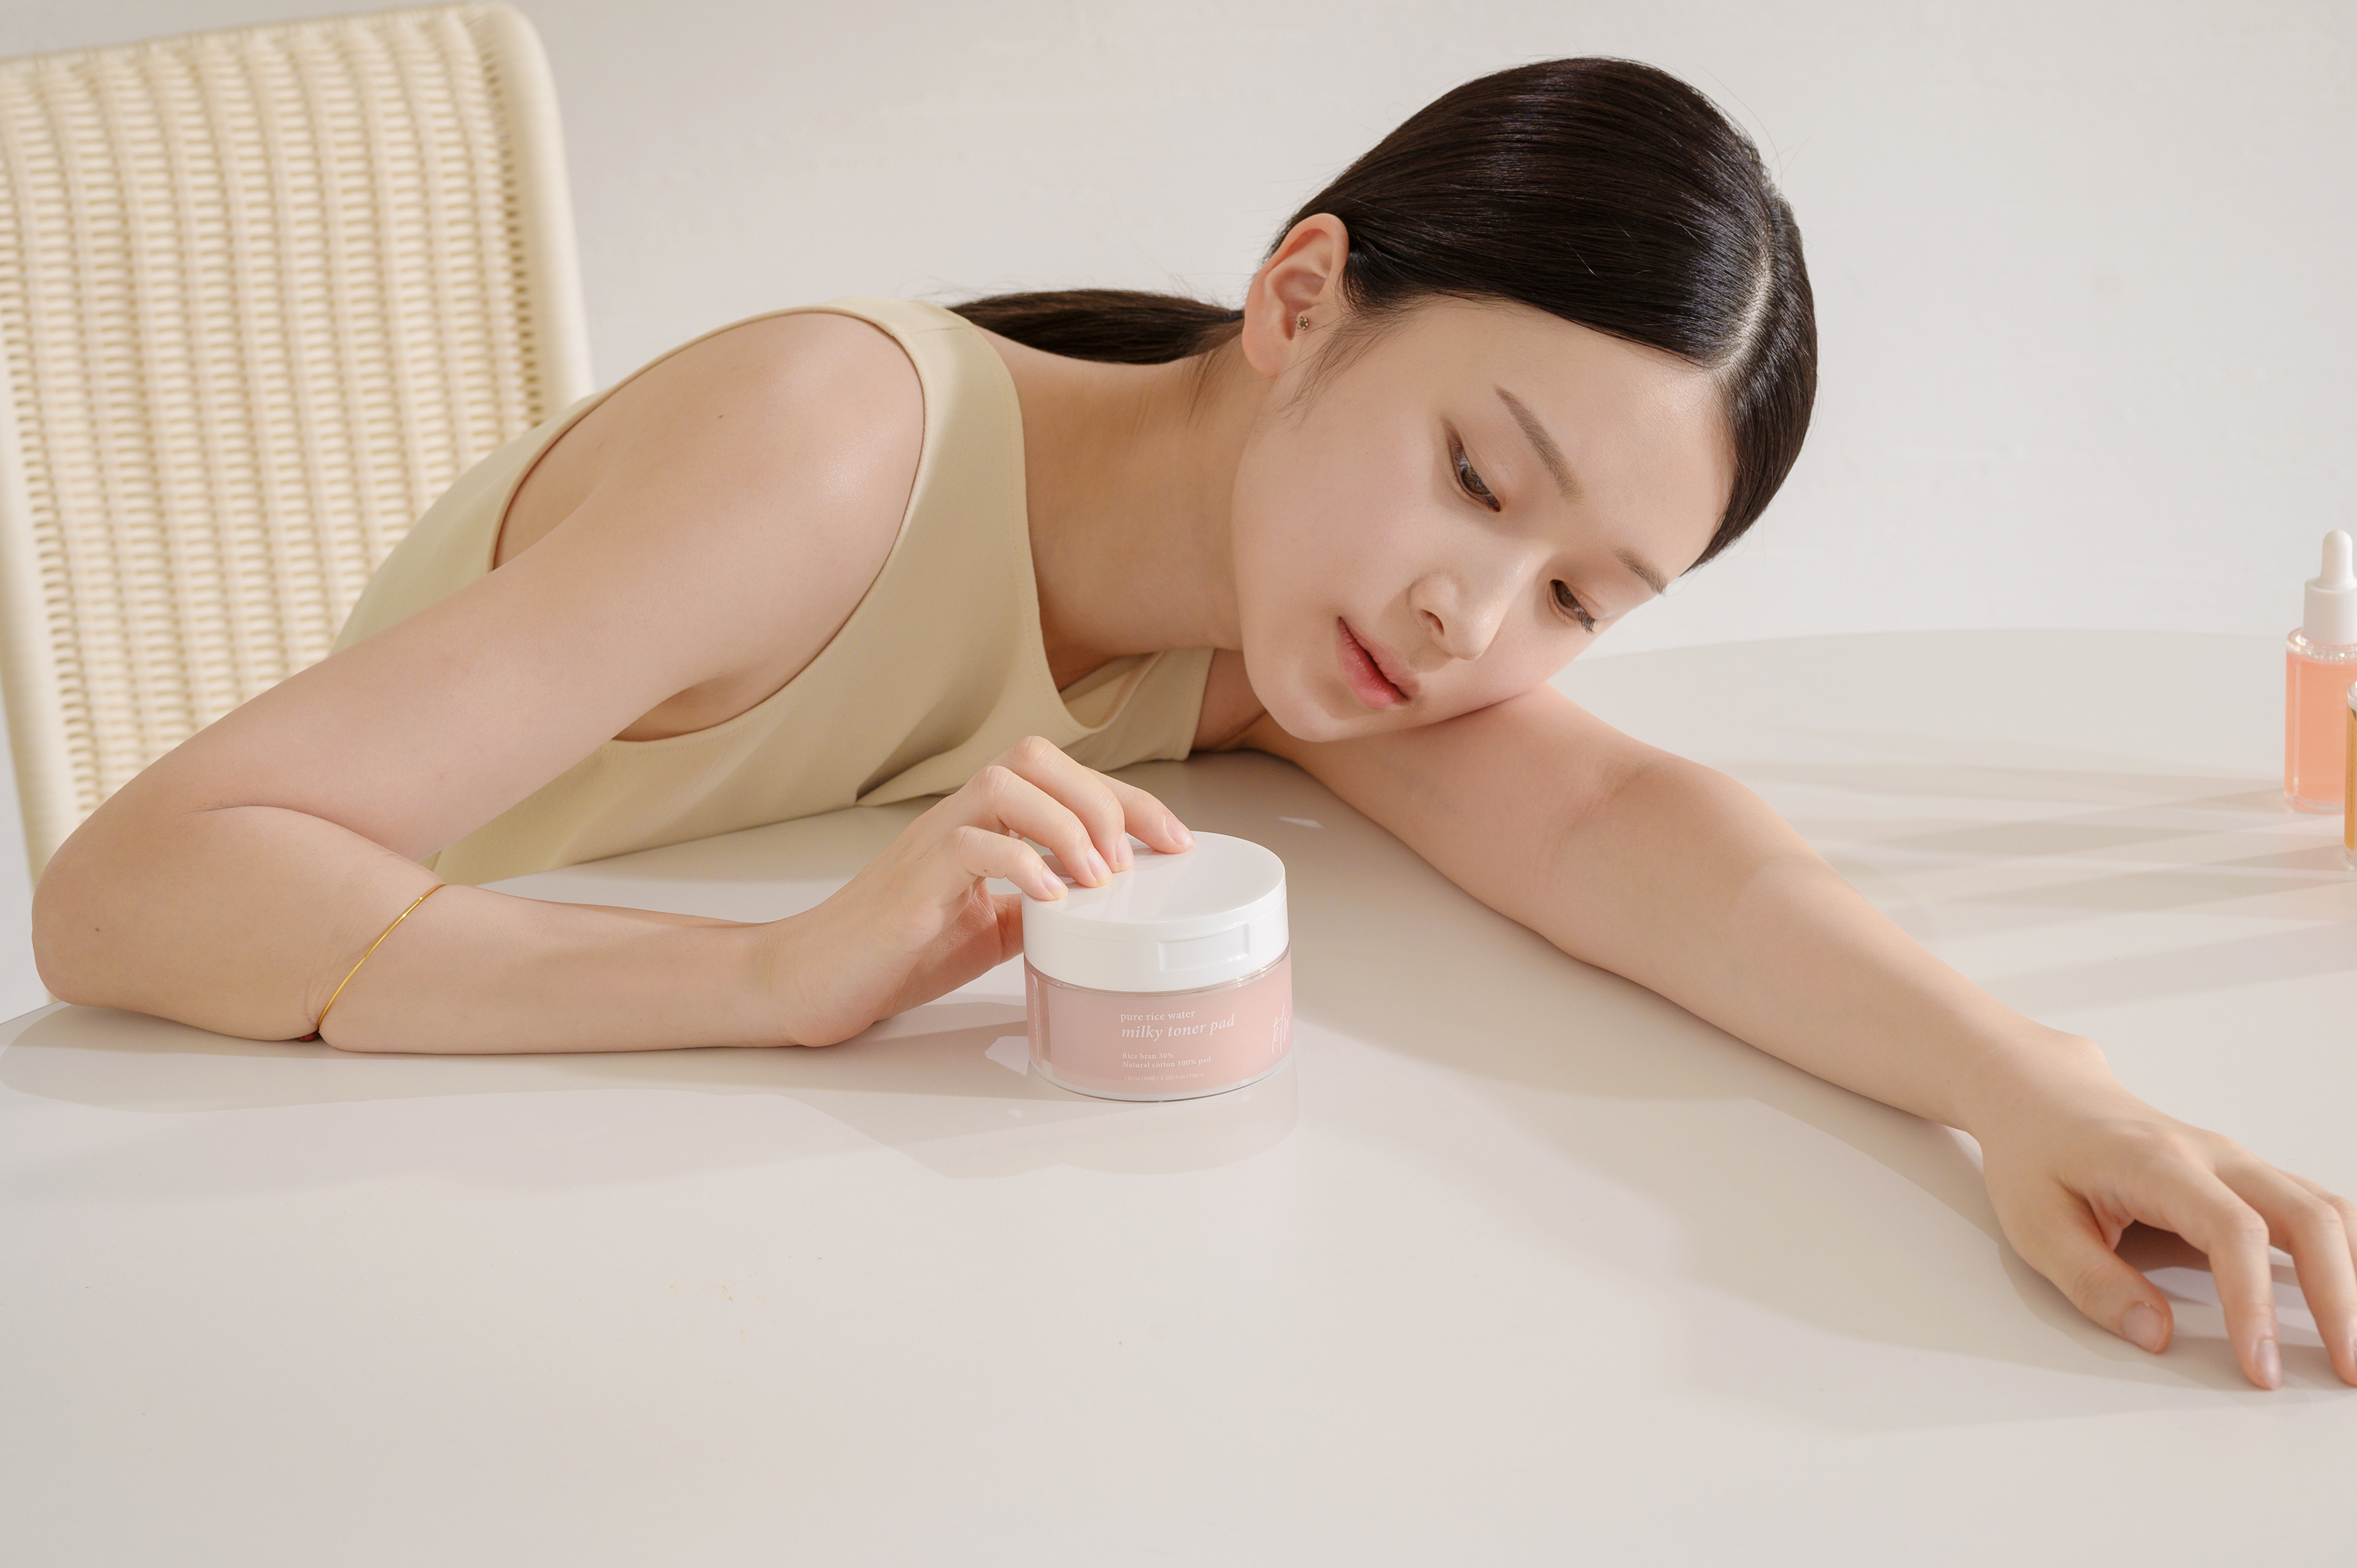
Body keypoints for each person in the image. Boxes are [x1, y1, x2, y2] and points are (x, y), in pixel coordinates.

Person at [28, 58, 2353, 1392]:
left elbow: (1627, 835)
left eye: (1580, 596)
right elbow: (130, 890)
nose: (1472, 619)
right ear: (1302, 296)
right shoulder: (829, 451)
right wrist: (777, 975)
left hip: (580, 1247)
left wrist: (2026, 1085)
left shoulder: (1282, 626)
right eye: (1480, 479)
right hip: (260, 1230)